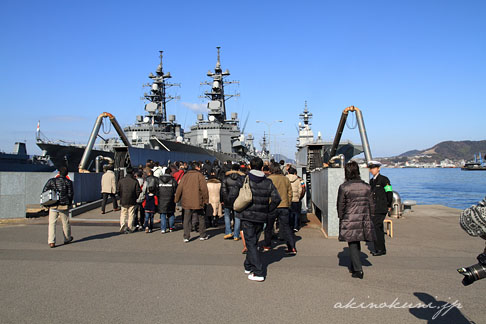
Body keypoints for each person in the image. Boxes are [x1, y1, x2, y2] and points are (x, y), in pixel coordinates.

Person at [236, 157, 281, 282]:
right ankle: (248, 265)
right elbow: (277, 199)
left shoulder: (244, 179)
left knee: (251, 243)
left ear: (250, 166)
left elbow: (235, 194)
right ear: (262, 167)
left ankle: (258, 271)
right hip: (261, 216)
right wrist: (268, 209)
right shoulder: (268, 182)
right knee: (253, 241)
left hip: (247, 215)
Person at [337, 161, 376, 279]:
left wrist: (341, 216)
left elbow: (340, 205)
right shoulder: (366, 186)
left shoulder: (344, 187)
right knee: (356, 241)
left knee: (353, 242)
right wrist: (371, 216)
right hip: (363, 217)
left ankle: (358, 269)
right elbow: (372, 204)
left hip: (350, 217)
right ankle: (355, 265)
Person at [175, 161, 210, 242]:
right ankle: (202, 235)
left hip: (186, 200)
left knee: (187, 218)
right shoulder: (200, 175)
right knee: (201, 217)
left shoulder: (185, 176)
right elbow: (204, 189)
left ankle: (186, 236)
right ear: (197, 167)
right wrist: (206, 199)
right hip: (198, 200)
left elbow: (179, 188)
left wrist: (176, 199)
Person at [266, 163, 296, 254]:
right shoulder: (285, 179)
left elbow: (266, 194)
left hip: (272, 206)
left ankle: (267, 245)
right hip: (284, 206)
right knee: (286, 227)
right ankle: (291, 247)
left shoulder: (269, 179)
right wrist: (288, 203)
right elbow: (290, 193)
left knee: (269, 227)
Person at [42, 166, 74, 248]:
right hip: (63, 205)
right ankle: (67, 238)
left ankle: (51, 241)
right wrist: (69, 203)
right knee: (65, 222)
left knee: (52, 223)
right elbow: (70, 194)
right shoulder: (68, 182)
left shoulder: (51, 181)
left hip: (53, 205)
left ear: (58, 172)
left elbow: (45, 191)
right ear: (66, 173)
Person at [368, 160, 393, 256]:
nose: (372, 170)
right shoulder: (372, 181)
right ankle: (379, 248)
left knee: (376, 227)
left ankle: (380, 249)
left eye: (374, 168)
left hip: (381, 207)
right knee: (377, 227)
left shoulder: (384, 179)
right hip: (374, 208)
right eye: (371, 168)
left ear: (378, 168)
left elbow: (389, 192)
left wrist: (389, 205)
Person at [221, 164, 244, 240]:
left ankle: (228, 232)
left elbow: (223, 191)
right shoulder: (242, 178)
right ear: (239, 170)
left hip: (227, 200)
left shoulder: (225, 178)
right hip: (238, 201)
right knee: (237, 217)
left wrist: (222, 200)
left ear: (231, 169)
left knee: (227, 216)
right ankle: (236, 235)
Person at [117, 167, 142, 234]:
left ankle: (122, 225)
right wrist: (136, 197)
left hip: (123, 199)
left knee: (123, 213)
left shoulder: (121, 181)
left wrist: (121, 196)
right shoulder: (135, 181)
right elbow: (138, 190)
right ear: (132, 172)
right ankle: (130, 227)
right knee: (131, 213)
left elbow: (118, 190)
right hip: (132, 199)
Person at [158, 168, 178, 233]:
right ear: (170, 173)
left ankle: (163, 229)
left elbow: (156, 189)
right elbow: (176, 189)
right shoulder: (173, 180)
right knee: (171, 213)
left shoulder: (159, 180)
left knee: (163, 214)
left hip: (161, 199)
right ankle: (171, 227)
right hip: (170, 198)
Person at [286, 167, 303, 232]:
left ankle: (289, 226)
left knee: (288, 213)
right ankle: (295, 226)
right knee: (296, 213)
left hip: (287, 199)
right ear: (295, 172)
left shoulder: (285, 178)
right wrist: (298, 196)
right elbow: (300, 189)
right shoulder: (298, 180)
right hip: (295, 199)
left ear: (288, 172)